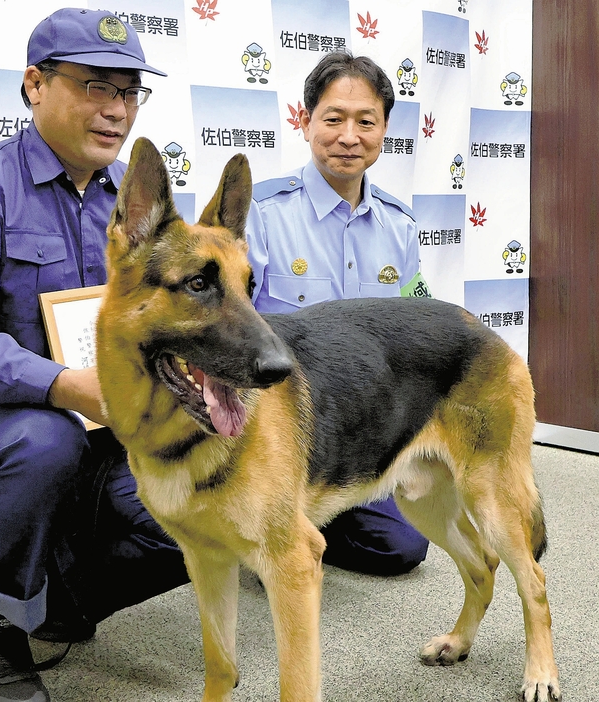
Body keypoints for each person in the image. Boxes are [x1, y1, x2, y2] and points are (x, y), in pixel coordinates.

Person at [0, 9, 189, 702]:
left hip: (109, 432)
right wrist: (67, 386)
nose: (116, 110)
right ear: (35, 84)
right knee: (44, 438)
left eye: (128, 92)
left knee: (199, 517)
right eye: (95, 86)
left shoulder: (142, 205)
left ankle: (59, 602)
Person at [246, 52, 430, 576]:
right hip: (279, 428)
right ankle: (273, 520)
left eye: (365, 122)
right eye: (333, 119)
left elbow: (414, 333)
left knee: (402, 550)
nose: (349, 136)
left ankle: (303, 523)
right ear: (306, 123)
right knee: (273, 552)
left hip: (363, 429)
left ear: (384, 130)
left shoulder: (401, 226)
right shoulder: (260, 214)